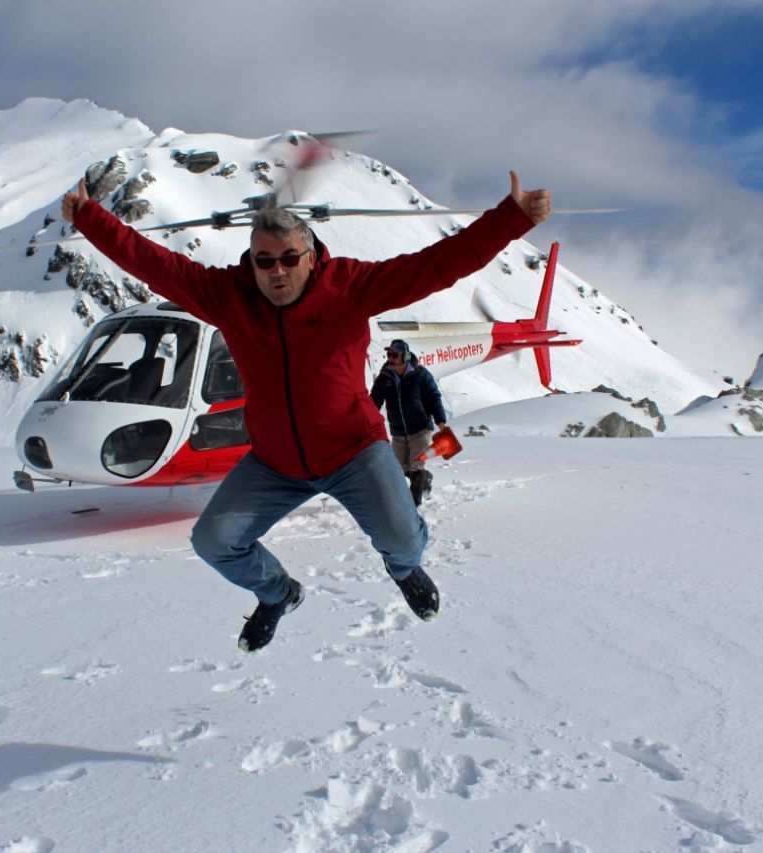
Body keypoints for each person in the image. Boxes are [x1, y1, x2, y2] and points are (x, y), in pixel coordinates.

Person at [61, 172, 550, 651]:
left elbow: (434, 266)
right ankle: (278, 594)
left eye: (288, 259)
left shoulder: (350, 287)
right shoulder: (228, 296)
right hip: (274, 463)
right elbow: (155, 263)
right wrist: (89, 217)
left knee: (404, 541)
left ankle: (404, 570)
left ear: (310, 257)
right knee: (213, 541)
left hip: (354, 452)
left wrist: (509, 220)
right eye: (264, 261)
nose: (276, 271)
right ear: (250, 263)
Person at [370, 339, 446, 507]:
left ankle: (413, 506)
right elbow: (374, 401)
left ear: (404, 356)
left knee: (415, 467)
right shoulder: (385, 377)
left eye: (394, 354)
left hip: (420, 429)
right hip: (398, 431)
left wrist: (440, 420)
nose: (390, 358)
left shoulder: (420, 374)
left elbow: (434, 397)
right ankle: (426, 477)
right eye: (388, 354)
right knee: (400, 469)